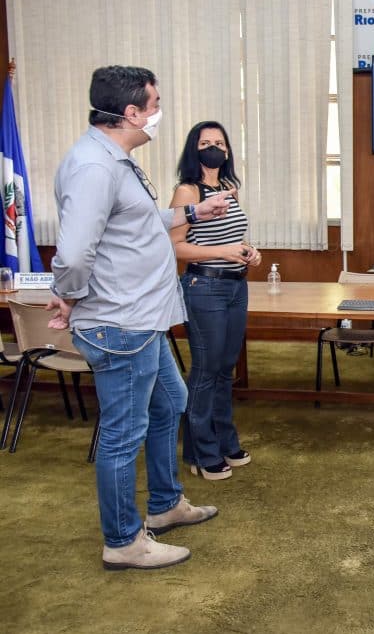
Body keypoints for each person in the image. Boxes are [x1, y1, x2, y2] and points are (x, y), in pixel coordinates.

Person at [47, 66, 231, 570]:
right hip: (119, 322)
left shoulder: (116, 160)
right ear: (131, 113)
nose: (158, 113)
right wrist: (67, 295)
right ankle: (123, 540)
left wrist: (194, 213)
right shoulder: (94, 167)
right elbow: (75, 252)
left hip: (143, 319)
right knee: (123, 433)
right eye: (154, 105)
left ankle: (166, 505)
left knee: (171, 401)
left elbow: (140, 222)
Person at [171, 122, 261, 480]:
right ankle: (200, 452)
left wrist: (249, 251)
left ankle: (225, 441)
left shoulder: (228, 188)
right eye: (206, 142)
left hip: (236, 286)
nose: (214, 148)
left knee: (225, 369)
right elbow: (175, 247)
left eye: (219, 143)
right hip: (204, 286)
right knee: (206, 370)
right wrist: (223, 252)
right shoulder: (187, 191)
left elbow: (233, 236)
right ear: (194, 149)